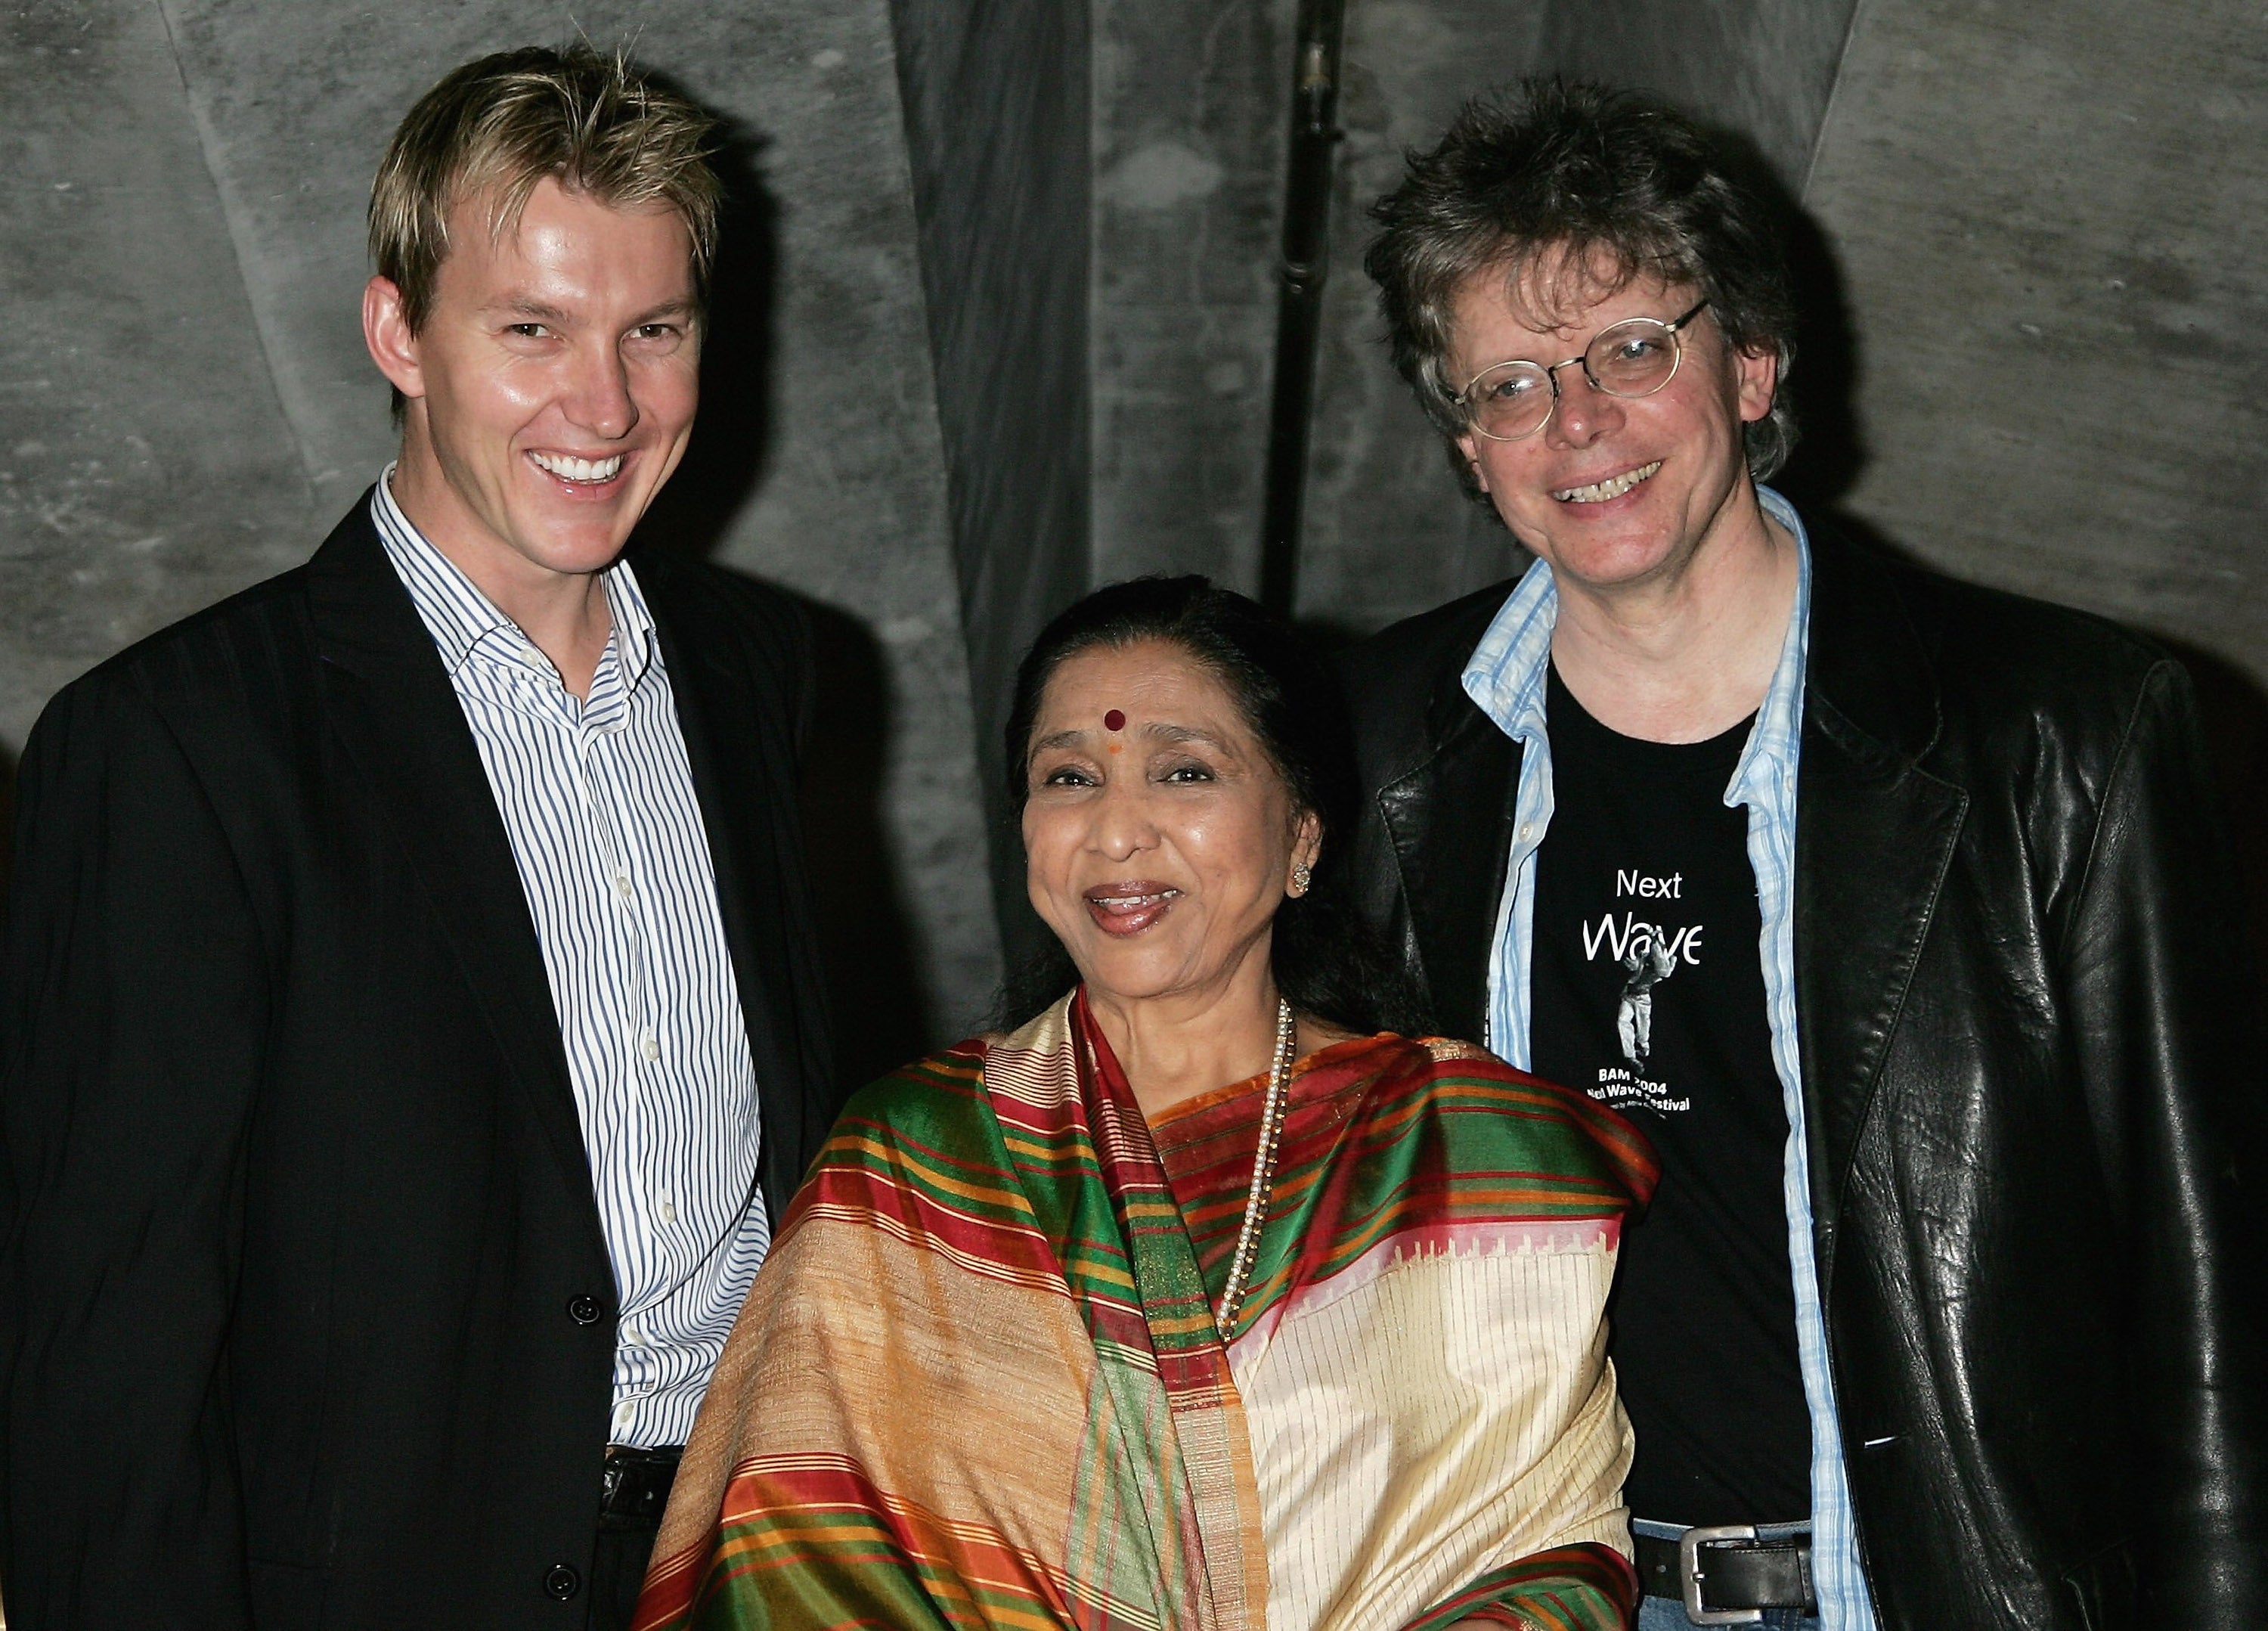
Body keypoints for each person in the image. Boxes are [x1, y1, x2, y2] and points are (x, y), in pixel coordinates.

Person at [1340, 79, 2266, 1631]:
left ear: (1753, 361)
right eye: (1512, 384)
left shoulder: (2067, 739)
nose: (1578, 422)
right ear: (1467, 442)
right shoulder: (1379, 748)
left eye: (1633, 348)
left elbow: (2217, 1313)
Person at [0, 45, 838, 1629]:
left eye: (652, 330)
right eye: (531, 331)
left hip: (745, 1562)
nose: (606, 405)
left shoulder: (757, 668)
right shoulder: (173, 747)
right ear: (400, 333)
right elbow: (106, 1363)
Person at [632, 577, 1658, 1631]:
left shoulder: (1467, 1153)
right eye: (1070, 775)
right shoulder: (906, 1164)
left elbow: (1548, 1555)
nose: (1118, 831)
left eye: (1185, 771)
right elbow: (797, 1556)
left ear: (1304, 834)